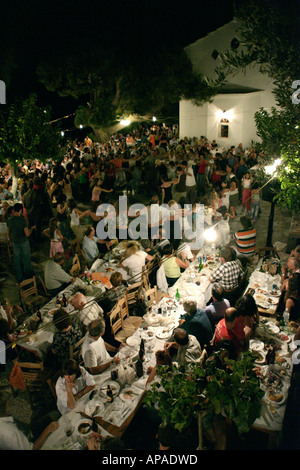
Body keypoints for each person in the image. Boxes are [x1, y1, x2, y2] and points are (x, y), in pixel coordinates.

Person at [45, 308, 83, 373]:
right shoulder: (75, 326)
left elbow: (54, 352)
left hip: (66, 360)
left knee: (48, 351)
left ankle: (48, 371)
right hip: (78, 355)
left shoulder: (59, 336)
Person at [6, 202, 35, 283]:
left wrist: (10, 242)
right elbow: (27, 234)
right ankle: (28, 276)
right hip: (24, 242)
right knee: (26, 259)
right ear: (20, 210)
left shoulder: (9, 220)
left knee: (17, 260)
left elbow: (8, 233)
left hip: (15, 242)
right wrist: (32, 229)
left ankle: (19, 278)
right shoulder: (23, 221)